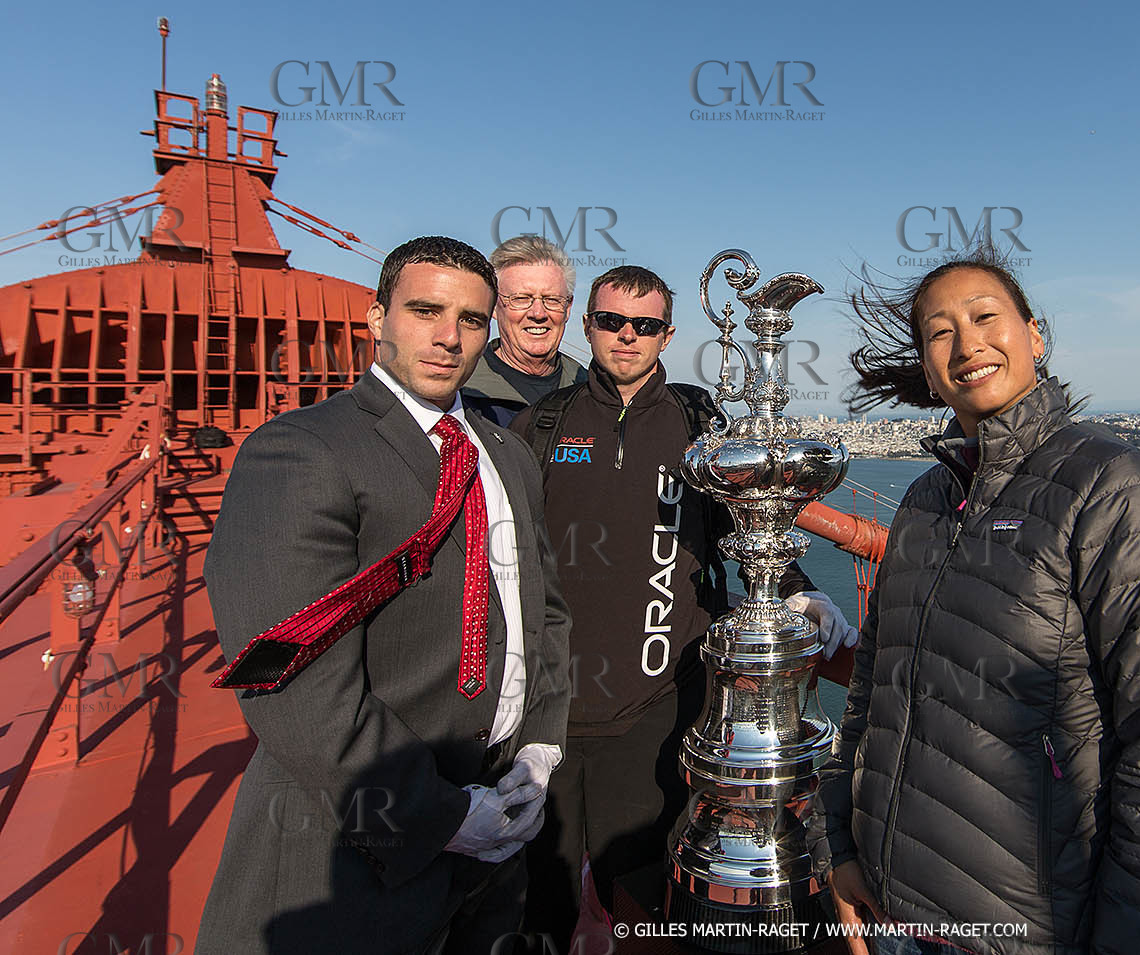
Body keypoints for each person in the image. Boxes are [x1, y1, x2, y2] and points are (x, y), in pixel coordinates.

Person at [812, 248, 1140, 955]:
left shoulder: (1117, 489)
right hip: (893, 913)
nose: (967, 342)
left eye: (985, 316)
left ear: (1035, 334)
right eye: (940, 332)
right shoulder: (925, 502)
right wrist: (841, 844)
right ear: (926, 366)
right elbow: (871, 695)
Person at [199, 236, 572, 955]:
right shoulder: (302, 449)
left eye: (470, 318)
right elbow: (288, 676)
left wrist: (539, 748)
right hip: (350, 850)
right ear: (376, 316)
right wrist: (441, 816)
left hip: (497, 843)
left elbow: (543, 611)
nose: (447, 336)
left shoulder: (509, 456)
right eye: (425, 310)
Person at [507, 264, 856, 948]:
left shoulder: (700, 424)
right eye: (611, 321)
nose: (626, 336)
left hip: (655, 712)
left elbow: (751, 522)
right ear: (588, 326)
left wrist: (800, 590)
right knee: (534, 902)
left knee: (642, 903)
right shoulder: (542, 425)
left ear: (667, 334)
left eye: (644, 324)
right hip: (547, 710)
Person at [462, 234, 588, 425]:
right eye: (521, 299)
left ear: (567, 308)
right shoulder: (460, 392)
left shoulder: (590, 393)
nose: (538, 313)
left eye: (552, 299)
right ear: (494, 306)